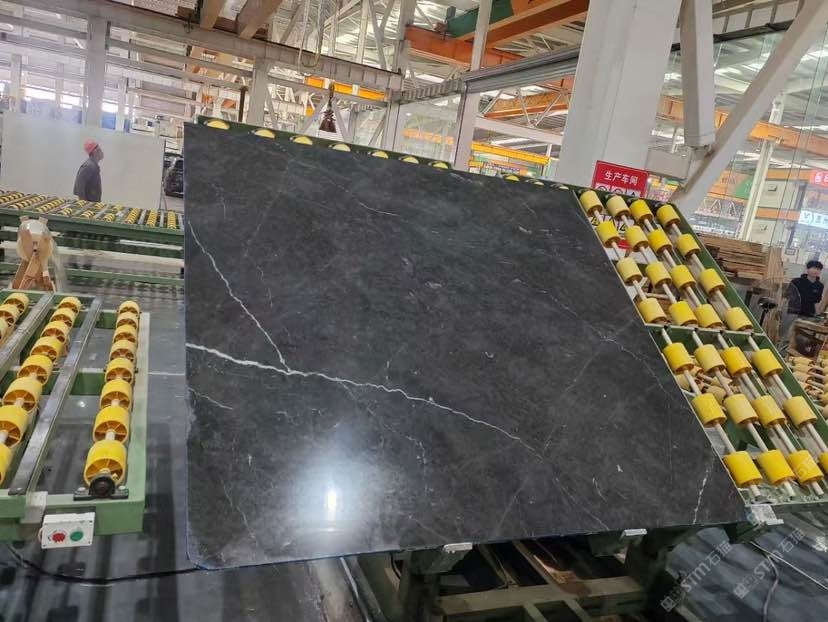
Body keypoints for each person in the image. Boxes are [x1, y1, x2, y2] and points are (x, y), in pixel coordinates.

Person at [780, 259, 824, 346]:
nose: (816, 271)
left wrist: (818, 315)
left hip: (808, 314)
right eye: (814, 268)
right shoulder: (796, 281)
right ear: (807, 269)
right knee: (787, 336)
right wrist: (780, 308)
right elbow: (787, 296)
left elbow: (817, 301)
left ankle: (794, 354)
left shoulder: (819, 286)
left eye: (818, 269)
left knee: (802, 339)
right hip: (793, 312)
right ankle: (781, 351)